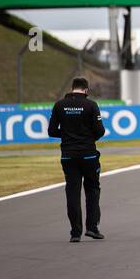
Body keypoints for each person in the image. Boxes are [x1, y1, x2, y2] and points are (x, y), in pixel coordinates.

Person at [48, 76, 105, 243]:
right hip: (88, 154)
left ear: (72, 88)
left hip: (68, 155)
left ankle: (75, 232)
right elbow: (100, 131)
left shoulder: (59, 105)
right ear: (86, 90)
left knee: (72, 192)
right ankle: (92, 228)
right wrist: (87, 137)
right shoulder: (91, 105)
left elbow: (51, 131)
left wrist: (66, 134)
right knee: (92, 189)